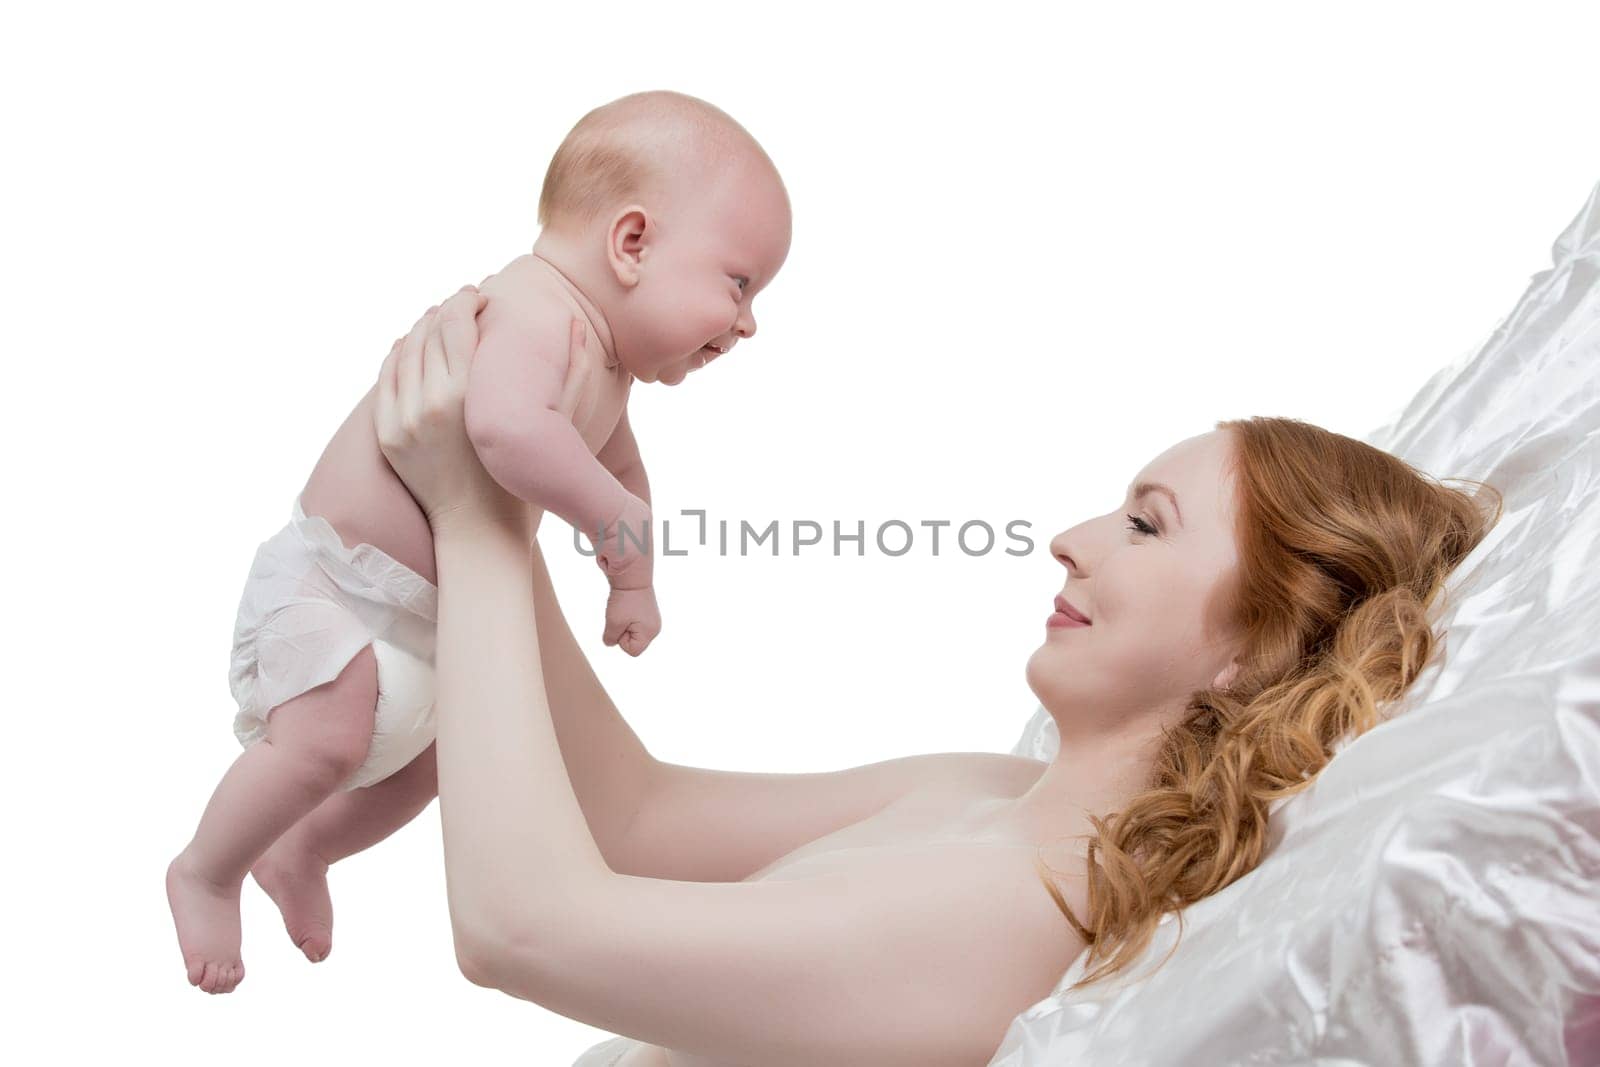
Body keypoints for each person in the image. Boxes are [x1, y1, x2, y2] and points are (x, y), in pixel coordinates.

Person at [366, 293, 1498, 1065]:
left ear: (1252, 642)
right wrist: (497, 503)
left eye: (1147, 525)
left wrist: (470, 528)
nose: (1070, 536)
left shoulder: (1025, 915)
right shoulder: (992, 792)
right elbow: (633, 815)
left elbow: (522, 928)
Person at [164, 89, 792, 995]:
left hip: (423, 616)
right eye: (739, 282)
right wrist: (621, 533)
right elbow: (506, 432)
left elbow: (622, 476)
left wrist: (633, 577)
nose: (747, 322)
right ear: (632, 243)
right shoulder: (537, 310)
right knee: (324, 742)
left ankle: (304, 848)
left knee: (449, 757)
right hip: (336, 588)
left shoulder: (606, 365)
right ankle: (207, 867)